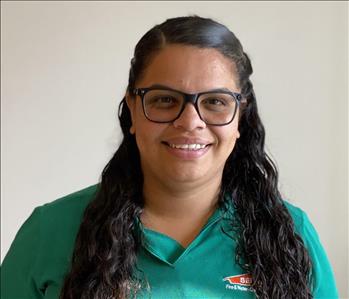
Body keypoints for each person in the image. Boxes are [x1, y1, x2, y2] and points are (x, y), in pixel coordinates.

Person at [1, 16, 339, 299]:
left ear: (241, 117)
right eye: (165, 100)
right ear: (132, 108)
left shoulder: (291, 235)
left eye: (215, 102)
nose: (190, 121)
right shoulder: (48, 232)